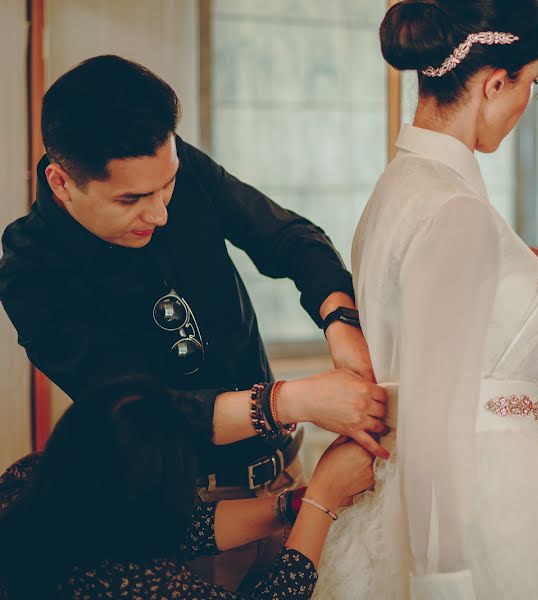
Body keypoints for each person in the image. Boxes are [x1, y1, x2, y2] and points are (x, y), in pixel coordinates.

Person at [0, 55, 389, 590]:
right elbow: (149, 410)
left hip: (284, 477)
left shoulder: (170, 168)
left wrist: (341, 325)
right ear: (62, 182)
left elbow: (289, 239)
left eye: (168, 188)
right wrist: (291, 401)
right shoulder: (31, 272)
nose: (160, 213)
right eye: (132, 200)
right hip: (181, 513)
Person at [312, 2, 538, 599]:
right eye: (531, 82)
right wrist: (447, 582)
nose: (524, 103)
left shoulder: (397, 187)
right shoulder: (455, 210)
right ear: (493, 84)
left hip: (415, 488)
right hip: (478, 503)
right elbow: (437, 415)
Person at [0, 376, 375, 599]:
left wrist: (289, 506)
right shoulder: (139, 586)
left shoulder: (32, 479)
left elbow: (178, 528)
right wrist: (321, 502)